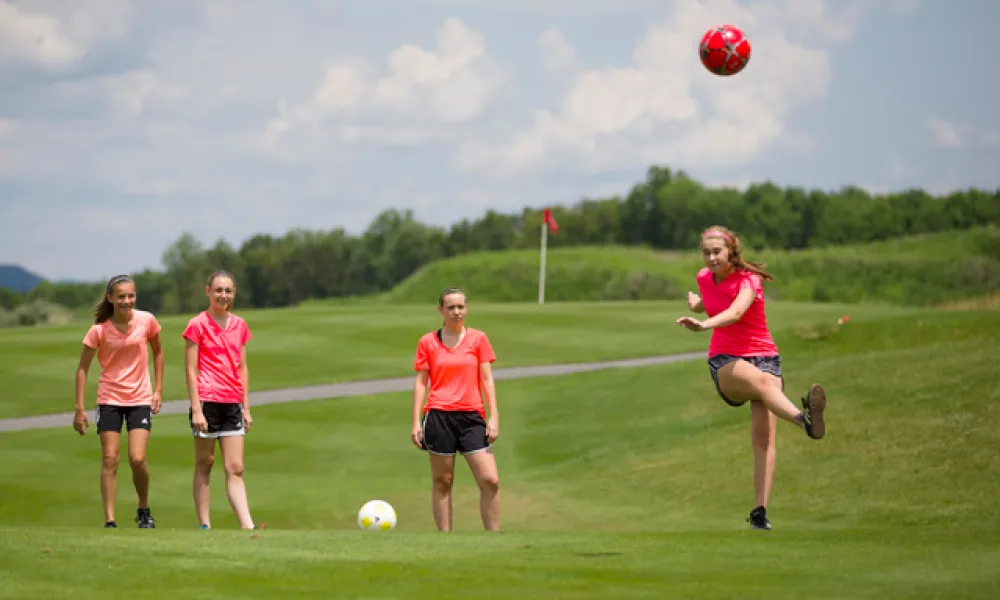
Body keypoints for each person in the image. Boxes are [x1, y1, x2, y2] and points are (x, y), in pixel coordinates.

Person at [676, 226, 828, 531]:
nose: (711, 257)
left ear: (731, 251)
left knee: (764, 438)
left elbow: (735, 312)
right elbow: (714, 300)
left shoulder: (750, 280)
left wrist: (702, 324)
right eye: (706, 252)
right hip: (726, 361)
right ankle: (805, 420)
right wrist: (698, 305)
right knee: (763, 384)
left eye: (717, 251)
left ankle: (760, 512)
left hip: (765, 356)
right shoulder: (704, 277)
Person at [73, 273, 164, 529]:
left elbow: (158, 352)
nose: (127, 301)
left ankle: (144, 509)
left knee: (137, 458)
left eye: (131, 295)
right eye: (121, 296)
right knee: (110, 459)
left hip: (140, 398)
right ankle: (110, 520)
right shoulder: (98, 331)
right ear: (110, 298)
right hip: (109, 398)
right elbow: (82, 368)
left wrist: (158, 390)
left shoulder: (147, 321)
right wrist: (79, 408)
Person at [411, 287, 501, 532]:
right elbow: (421, 382)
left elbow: (487, 378)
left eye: (461, 306)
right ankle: (445, 540)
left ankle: (494, 538)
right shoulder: (427, 342)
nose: (456, 311)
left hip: (472, 416)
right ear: (441, 310)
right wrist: (416, 422)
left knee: (490, 480)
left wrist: (494, 416)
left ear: (466, 309)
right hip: (438, 415)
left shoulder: (478, 339)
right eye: (451, 307)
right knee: (443, 481)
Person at [182, 270, 257, 530]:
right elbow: (190, 369)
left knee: (235, 467)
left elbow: (242, 367)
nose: (223, 295)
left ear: (234, 293)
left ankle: (247, 525)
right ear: (208, 292)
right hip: (206, 400)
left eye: (228, 291)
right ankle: (205, 524)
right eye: (218, 290)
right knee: (205, 462)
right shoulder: (197, 324)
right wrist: (196, 409)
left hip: (233, 401)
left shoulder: (240, 325)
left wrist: (246, 407)